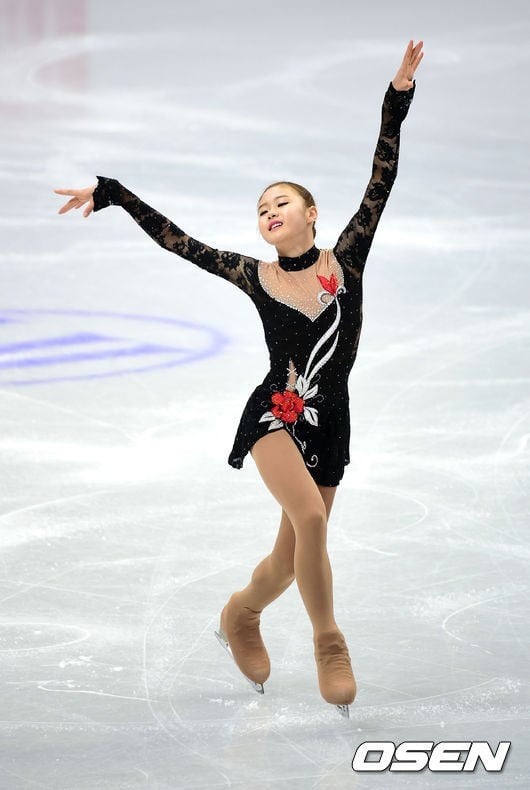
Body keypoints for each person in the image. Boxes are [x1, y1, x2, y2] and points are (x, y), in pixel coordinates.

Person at [55, 40, 424, 717]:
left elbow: (383, 173)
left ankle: (241, 614)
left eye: (281, 202)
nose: (269, 211)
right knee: (310, 518)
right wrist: (113, 194)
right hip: (275, 413)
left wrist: (396, 97)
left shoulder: (347, 260)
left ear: (311, 213)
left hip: (331, 422)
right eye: (261, 208)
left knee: (288, 559)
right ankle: (329, 643)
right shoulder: (255, 276)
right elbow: (180, 242)